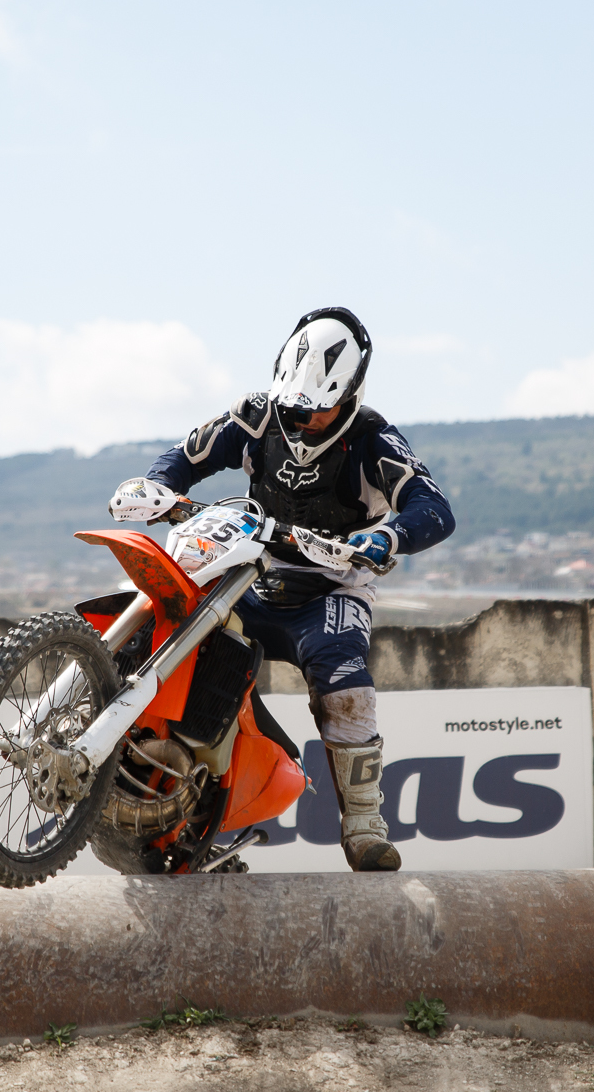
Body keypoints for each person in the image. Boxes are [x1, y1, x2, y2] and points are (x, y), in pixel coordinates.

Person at [127, 306, 455, 872]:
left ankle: (363, 825)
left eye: (319, 408)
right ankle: (145, 767)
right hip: (249, 573)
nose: (304, 420)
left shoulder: (374, 439)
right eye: (296, 407)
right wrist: (159, 488)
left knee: (344, 678)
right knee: (174, 620)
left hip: (333, 587)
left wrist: (389, 537)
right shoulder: (256, 416)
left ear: (350, 393)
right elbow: (184, 457)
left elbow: (435, 508)